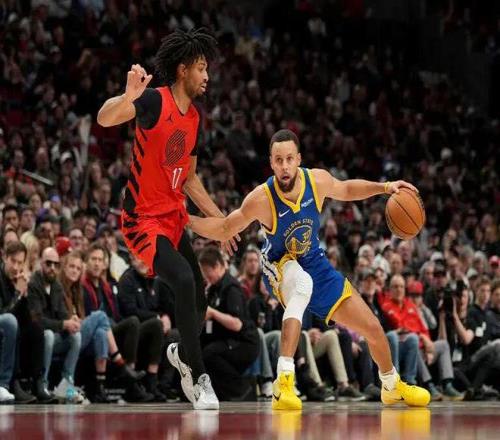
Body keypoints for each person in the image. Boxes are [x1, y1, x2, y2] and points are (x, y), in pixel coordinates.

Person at [189, 129, 430, 410]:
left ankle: (391, 385)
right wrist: (183, 220)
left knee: (373, 327)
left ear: (299, 159)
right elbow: (224, 228)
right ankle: (283, 383)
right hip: (278, 263)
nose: (285, 166)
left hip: (314, 261)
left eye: (290, 159)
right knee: (301, 283)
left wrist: (386, 187)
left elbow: (346, 189)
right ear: (271, 163)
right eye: (279, 160)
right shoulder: (261, 199)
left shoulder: (316, 181)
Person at [97, 27, 238, 410]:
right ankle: (199, 377)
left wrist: (222, 221)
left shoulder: (194, 118)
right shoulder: (153, 102)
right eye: (201, 68)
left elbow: (189, 179)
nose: (207, 76)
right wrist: (127, 97)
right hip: (142, 219)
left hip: (173, 216)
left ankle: (179, 353)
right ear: (182, 69)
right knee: (182, 280)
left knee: (198, 293)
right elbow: (105, 119)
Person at [59, 250, 144, 403]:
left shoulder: (78, 289)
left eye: (77, 268)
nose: (75, 271)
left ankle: (100, 388)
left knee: (101, 333)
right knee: (100, 316)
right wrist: (71, 321)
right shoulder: (60, 288)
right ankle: (121, 364)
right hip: (65, 336)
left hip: (80, 334)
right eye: (71, 267)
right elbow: (60, 317)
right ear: (64, 267)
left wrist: (78, 320)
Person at [198, 246, 260, 401]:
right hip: (226, 339)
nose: (205, 276)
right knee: (199, 347)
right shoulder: (213, 288)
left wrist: (213, 313)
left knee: (210, 353)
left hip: (244, 342)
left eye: (207, 272)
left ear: (217, 266)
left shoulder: (231, 288)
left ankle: (243, 390)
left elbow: (237, 324)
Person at [27, 247, 84, 403]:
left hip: (52, 338)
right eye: (48, 263)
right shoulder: (33, 284)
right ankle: (42, 384)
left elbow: (62, 314)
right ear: (41, 263)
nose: (52, 268)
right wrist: (64, 324)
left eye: (56, 264)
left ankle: (67, 385)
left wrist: (71, 320)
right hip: (34, 340)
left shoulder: (56, 285)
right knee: (49, 335)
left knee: (76, 336)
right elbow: (37, 321)